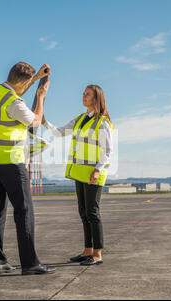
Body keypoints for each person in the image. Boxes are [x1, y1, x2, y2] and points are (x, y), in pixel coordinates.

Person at [0, 62, 56, 275]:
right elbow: (35, 122)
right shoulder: (15, 104)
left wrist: (35, 77)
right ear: (23, 82)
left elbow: (16, 91)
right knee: (24, 211)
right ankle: (30, 264)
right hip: (10, 162)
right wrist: (40, 96)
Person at [42, 85, 113, 265]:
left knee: (93, 212)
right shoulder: (80, 119)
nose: (83, 96)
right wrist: (44, 122)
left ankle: (97, 253)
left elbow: (108, 151)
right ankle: (87, 250)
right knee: (83, 212)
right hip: (79, 173)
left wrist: (97, 170)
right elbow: (59, 133)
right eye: (83, 93)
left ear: (96, 98)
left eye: (87, 94)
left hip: (93, 174)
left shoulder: (102, 122)